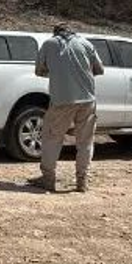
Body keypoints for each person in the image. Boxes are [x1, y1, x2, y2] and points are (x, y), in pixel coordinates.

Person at [32, 23, 105, 192]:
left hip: (61, 100)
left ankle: (48, 179)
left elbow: (38, 70)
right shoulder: (86, 43)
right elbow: (99, 69)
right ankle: (82, 181)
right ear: (73, 32)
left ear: (55, 32)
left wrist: (57, 72)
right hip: (87, 99)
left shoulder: (49, 44)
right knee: (85, 141)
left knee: (52, 138)